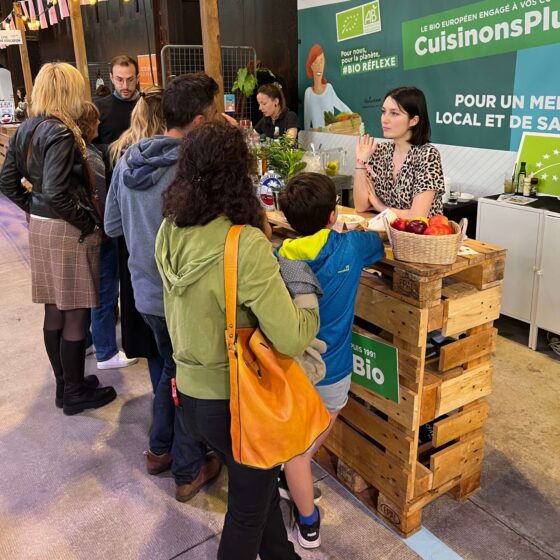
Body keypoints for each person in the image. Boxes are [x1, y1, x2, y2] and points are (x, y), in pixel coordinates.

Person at [156, 122, 319, 560]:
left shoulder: (170, 227)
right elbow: (291, 335)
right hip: (238, 399)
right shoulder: (243, 243)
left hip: (190, 393)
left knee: (257, 488)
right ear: (239, 173)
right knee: (246, 512)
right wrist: (302, 286)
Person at [104, 73, 220, 499]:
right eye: (214, 114)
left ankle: (159, 450)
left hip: (145, 293)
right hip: (183, 295)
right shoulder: (192, 169)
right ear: (197, 120)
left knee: (172, 369)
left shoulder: (129, 160)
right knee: (187, 378)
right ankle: (186, 468)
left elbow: (112, 225)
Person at [0, 62, 116, 415]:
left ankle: (65, 386)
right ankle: (75, 391)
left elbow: (7, 182)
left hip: (42, 226)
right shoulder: (63, 133)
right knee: (76, 314)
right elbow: (56, 192)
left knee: (55, 310)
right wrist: (88, 225)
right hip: (67, 229)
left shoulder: (27, 128)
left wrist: (34, 208)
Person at [276, 172, 385, 549]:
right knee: (301, 451)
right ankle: (308, 523)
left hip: (289, 367)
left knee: (297, 437)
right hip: (332, 370)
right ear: (332, 213)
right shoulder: (350, 247)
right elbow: (380, 240)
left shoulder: (280, 256)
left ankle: (290, 481)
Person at [107, 85, 166, 391]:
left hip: (137, 266)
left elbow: (112, 225)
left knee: (153, 349)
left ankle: (161, 410)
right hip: (173, 272)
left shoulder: (121, 154)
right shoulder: (181, 160)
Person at [77, 101, 138, 371]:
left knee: (93, 291)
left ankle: (91, 341)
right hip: (100, 234)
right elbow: (103, 200)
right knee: (104, 292)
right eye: (96, 122)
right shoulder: (91, 159)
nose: (100, 126)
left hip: (87, 234)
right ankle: (106, 352)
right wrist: (106, 228)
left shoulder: (81, 151)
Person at [353, 86, 445, 218]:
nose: (384, 119)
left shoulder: (427, 154)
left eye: (394, 113)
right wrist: (360, 161)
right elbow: (361, 206)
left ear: (414, 120)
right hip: (387, 234)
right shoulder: (380, 151)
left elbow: (417, 217)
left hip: (420, 237)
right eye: (383, 112)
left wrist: (381, 207)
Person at [94, 55, 140, 150]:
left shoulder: (149, 105)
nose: (125, 86)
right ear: (111, 78)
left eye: (130, 79)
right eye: (120, 80)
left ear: (137, 78)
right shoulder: (98, 108)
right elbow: (91, 147)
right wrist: (116, 150)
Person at [303, 44, 352, 130]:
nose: (319, 66)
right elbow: (307, 122)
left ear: (324, 63)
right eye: (315, 62)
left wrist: (353, 116)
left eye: (321, 61)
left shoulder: (329, 88)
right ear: (311, 66)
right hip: (316, 138)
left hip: (331, 137)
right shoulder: (308, 93)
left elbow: (340, 105)